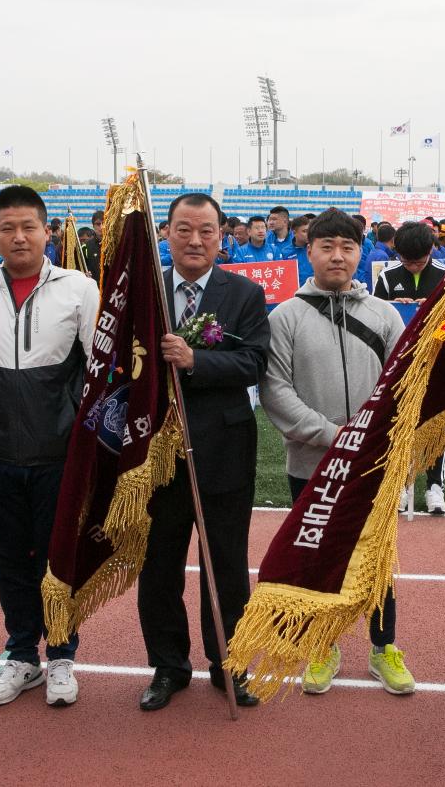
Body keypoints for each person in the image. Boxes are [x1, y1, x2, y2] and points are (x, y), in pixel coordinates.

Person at [260, 208, 415, 696]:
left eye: (347, 247)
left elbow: (404, 387)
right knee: (315, 557)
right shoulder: (286, 316)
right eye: (327, 246)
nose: (337, 256)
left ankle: (383, 647)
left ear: (359, 253)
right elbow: (275, 390)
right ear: (309, 252)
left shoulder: (383, 314)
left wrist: (372, 441)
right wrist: (332, 435)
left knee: (377, 560)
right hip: (311, 464)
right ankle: (322, 646)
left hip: (374, 465)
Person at [0, 185, 99, 708]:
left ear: (48, 232)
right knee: (9, 560)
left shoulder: (81, 290)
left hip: (59, 455)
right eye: (8, 229)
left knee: (58, 559)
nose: (19, 237)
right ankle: (22, 654)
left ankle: (62, 653)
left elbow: (99, 373)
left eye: (29, 227)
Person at [137, 192, 270, 712]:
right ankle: (168, 666)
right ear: (166, 233)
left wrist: (195, 360)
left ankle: (228, 664)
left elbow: (254, 363)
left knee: (227, 566)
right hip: (155, 454)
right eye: (184, 230)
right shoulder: (143, 292)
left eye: (206, 231)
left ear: (222, 235)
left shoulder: (244, 293)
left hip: (224, 449)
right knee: (160, 565)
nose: (195, 240)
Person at [373, 222, 445, 512]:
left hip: (436, 361)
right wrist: (395, 305)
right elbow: (375, 317)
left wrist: (430, 307)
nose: (414, 267)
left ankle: (434, 487)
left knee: (436, 424)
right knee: (398, 423)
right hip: (400, 363)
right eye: (407, 261)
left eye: (419, 262)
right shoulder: (387, 276)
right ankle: (401, 484)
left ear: (431, 250)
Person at [287, 213, 313, 284]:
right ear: (294, 233)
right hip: (296, 292)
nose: (308, 234)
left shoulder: (315, 248)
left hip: (314, 290)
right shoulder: (285, 252)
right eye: (304, 231)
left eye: (309, 230)